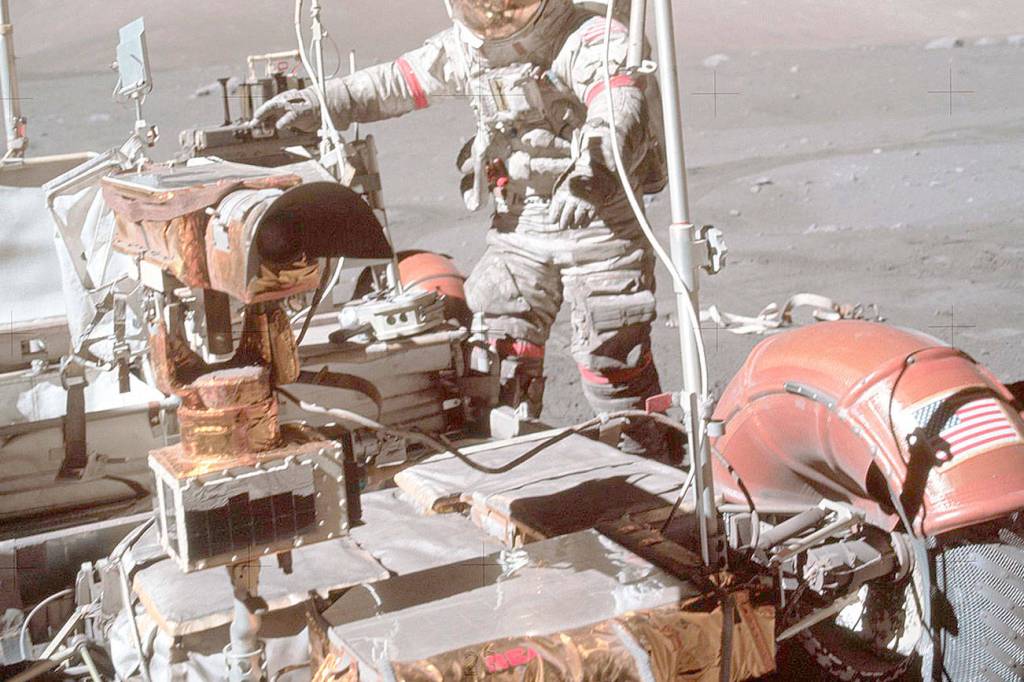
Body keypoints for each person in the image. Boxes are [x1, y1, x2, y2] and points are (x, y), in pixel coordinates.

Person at [253, 0, 676, 460]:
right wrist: (321, 102)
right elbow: (395, 82)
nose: (495, 14)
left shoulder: (586, 37)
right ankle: (522, 458)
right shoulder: (465, 48)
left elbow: (619, 105)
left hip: (598, 224)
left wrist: (595, 171)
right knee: (497, 355)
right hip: (520, 228)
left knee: (611, 357)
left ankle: (651, 461)